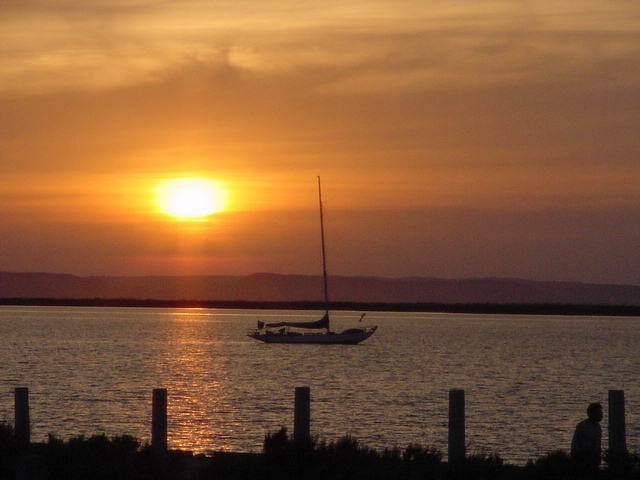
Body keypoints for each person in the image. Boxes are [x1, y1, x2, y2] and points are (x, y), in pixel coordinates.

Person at [571, 402, 603, 472]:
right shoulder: (583, 426)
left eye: (601, 412)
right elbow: (576, 444)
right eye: (599, 412)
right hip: (583, 459)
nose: (601, 415)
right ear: (592, 414)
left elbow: (597, 444)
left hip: (594, 459)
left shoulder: (598, 427)